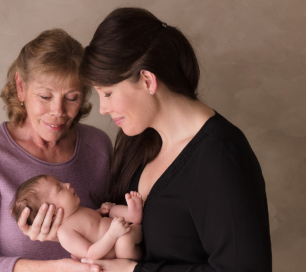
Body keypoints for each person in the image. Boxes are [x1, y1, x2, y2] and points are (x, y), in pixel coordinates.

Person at [77, 7, 273, 272]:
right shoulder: (139, 141)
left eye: (108, 93)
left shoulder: (219, 154)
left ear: (147, 80)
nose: (102, 108)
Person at [0, 29, 112, 272]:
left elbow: (114, 229)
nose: (58, 110)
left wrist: (62, 236)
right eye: (45, 96)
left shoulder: (98, 145)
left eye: (72, 97)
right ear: (20, 87)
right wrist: (56, 268)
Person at [10, 174, 143, 261]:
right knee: (123, 242)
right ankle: (139, 253)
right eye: (60, 189)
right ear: (52, 213)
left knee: (114, 210)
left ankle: (135, 214)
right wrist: (113, 234)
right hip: (117, 250)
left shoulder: (76, 210)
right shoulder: (65, 233)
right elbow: (90, 253)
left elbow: (92, 224)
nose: (67, 184)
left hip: (122, 228)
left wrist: (101, 211)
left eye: (61, 182)